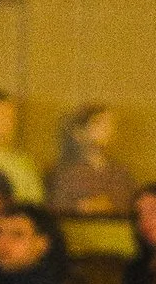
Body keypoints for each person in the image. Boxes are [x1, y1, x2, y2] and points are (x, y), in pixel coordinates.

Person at [45, 102, 136, 239]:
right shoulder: (62, 172)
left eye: (109, 125)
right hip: (77, 240)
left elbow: (132, 204)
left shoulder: (120, 172)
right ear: (78, 132)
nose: (106, 130)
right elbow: (51, 206)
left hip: (116, 241)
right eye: (98, 124)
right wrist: (80, 207)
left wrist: (110, 205)